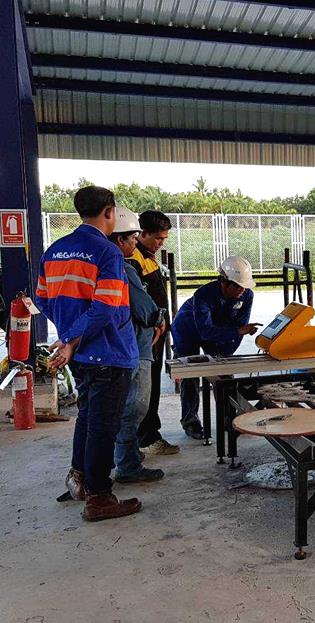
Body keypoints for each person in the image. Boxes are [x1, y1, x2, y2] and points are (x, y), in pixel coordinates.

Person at [34, 185, 142, 522]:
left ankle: (79, 479)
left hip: (79, 356)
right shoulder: (107, 253)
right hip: (109, 352)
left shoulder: (54, 250)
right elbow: (106, 306)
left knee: (88, 416)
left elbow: (41, 298)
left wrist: (69, 335)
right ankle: (99, 497)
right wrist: (72, 336)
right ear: (109, 212)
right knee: (103, 427)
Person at [109, 207, 167, 484]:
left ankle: (126, 455)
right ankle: (128, 464)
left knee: (125, 407)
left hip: (131, 343)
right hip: (138, 343)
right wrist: (158, 318)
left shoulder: (127, 262)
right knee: (134, 407)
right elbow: (143, 307)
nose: (134, 243)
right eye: (132, 238)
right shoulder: (127, 265)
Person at [171, 256, 257, 440]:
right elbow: (206, 331)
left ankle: (229, 418)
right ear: (224, 282)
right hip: (187, 331)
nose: (242, 290)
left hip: (220, 331)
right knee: (190, 375)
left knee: (224, 376)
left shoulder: (247, 295)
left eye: (244, 286)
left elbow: (240, 328)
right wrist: (236, 331)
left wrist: (225, 356)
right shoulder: (203, 295)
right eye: (238, 286)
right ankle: (190, 421)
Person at [129, 210, 179, 457]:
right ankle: (145, 438)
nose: (161, 243)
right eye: (158, 238)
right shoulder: (133, 259)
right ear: (143, 233)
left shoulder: (148, 257)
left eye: (164, 238)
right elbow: (138, 302)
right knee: (143, 391)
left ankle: (147, 435)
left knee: (153, 386)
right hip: (145, 337)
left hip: (155, 336)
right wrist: (154, 322)